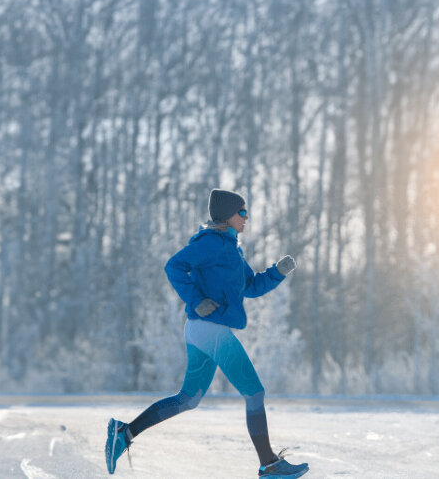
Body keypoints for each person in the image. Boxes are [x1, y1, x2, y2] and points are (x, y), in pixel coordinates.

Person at [105, 188, 309, 478]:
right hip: (209, 329)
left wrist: (277, 271)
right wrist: (196, 300)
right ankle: (269, 464)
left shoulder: (231, 250)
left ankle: (123, 433)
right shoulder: (212, 243)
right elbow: (173, 265)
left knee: (188, 399)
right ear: (227, 215)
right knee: (254, 392)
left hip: (204, 331)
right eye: (241, 212)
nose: (246, 217)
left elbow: (250, 287)